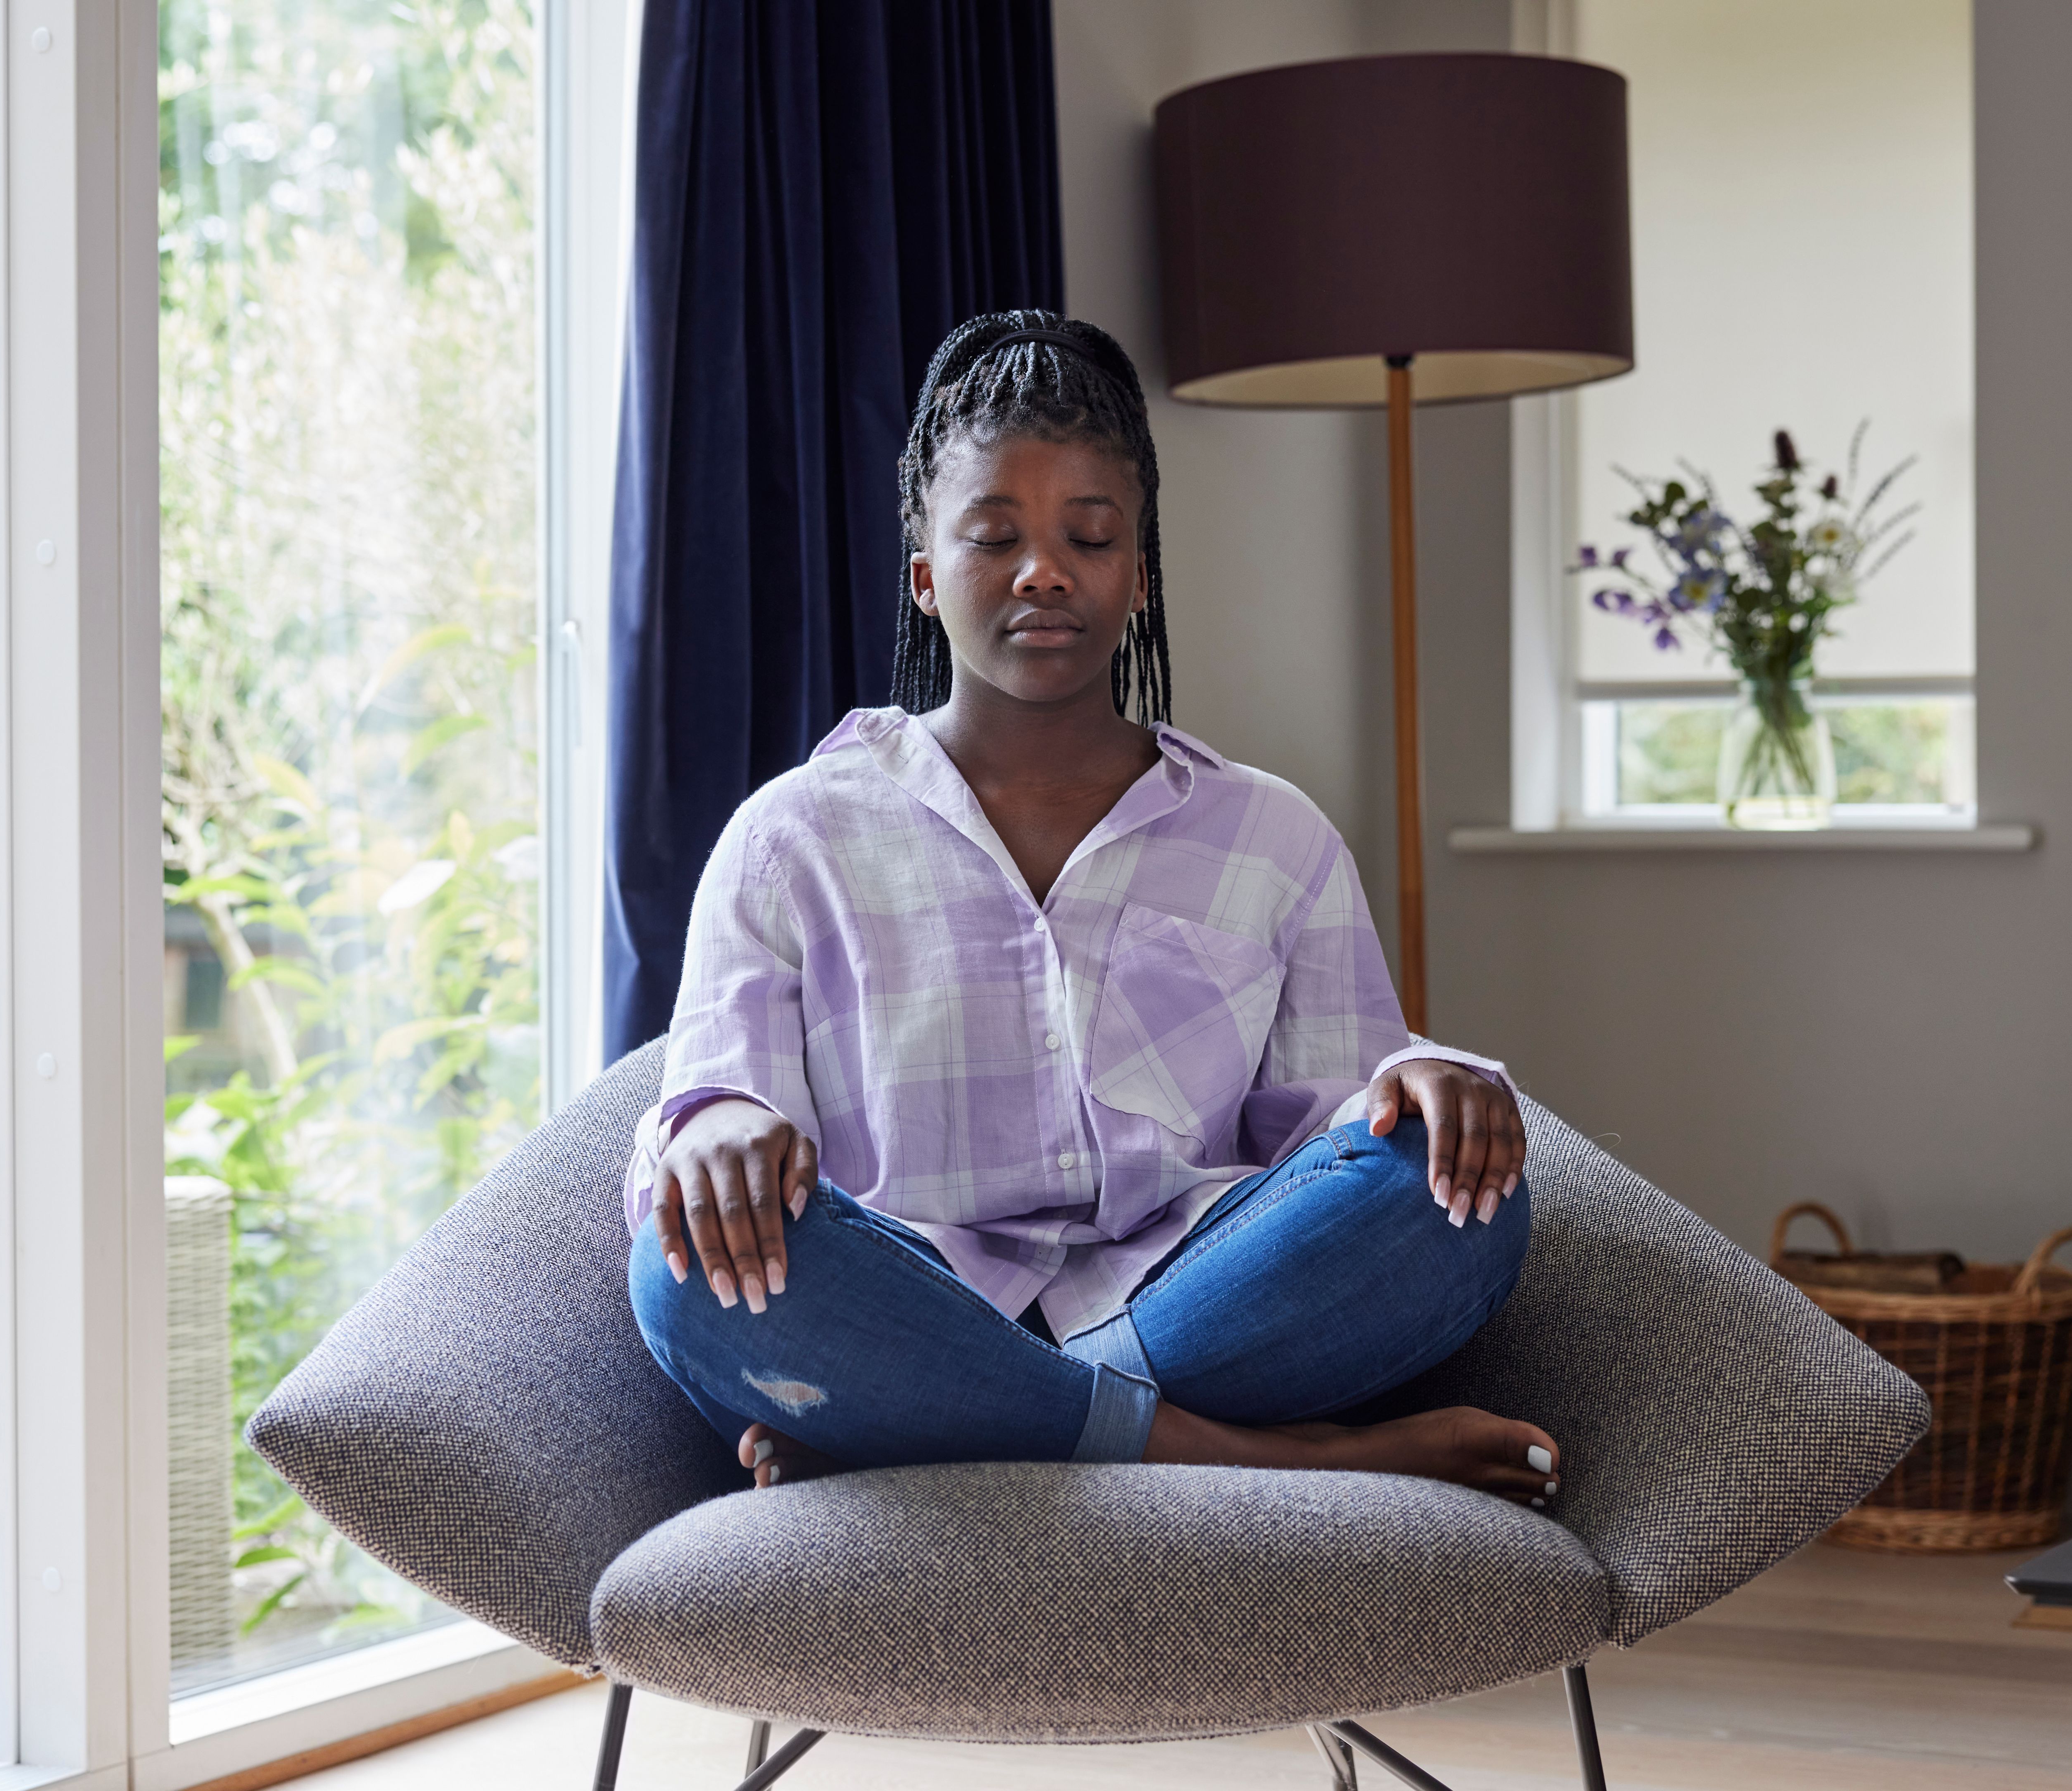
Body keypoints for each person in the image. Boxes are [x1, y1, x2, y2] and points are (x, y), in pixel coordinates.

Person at [623, 310, 1560, 1509]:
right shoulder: (790, 837)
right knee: (683, 1267)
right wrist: (712, 1127)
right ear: (924, 577)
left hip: (1191, 1303)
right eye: (993, 537)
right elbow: (717, 1101)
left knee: (1448, 1186)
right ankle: (1291, 1460)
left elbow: (1338, 1130)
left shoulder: (1272, 834)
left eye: (1090, 535)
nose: (1044, 571)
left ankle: (946, 1432)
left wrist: (1426, 1081)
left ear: (1138, 575)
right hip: (904, 1298)